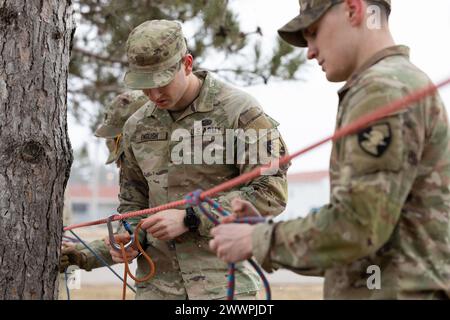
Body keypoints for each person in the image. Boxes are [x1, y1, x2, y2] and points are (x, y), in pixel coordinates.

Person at [209, 0, 450, 299]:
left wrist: (257, 239)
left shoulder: (382, 89)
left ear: (353, 9)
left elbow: (358, 226)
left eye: (313, 32)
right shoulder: (392, 83)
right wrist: (261, 231)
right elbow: (370, 234)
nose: (309, 51)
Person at [113, 19, 290, 300]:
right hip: (156, 287)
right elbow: (133, 201)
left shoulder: (239, 112)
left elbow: (270, 193)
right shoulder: (137, 126)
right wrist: (128, 234)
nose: (154, 94)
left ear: (186, 64)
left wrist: (191, 218)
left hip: (223, 285)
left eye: (162, 82)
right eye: (145, 85)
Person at [59, 90, 148, 273]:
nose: (121, 167)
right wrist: (82, 256)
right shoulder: (137, 188)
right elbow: (126, 237)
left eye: (123, 158)